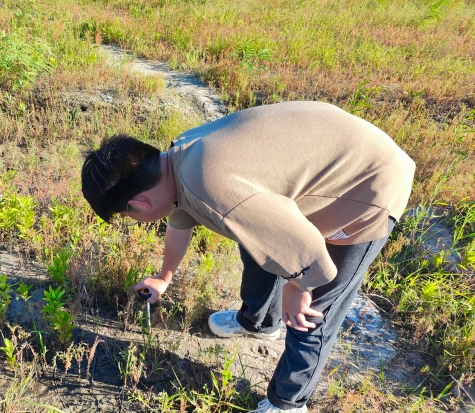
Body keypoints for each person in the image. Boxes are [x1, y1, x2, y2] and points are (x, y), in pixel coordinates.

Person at [80, 101, 415, 413]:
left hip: (368, 183)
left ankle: (288, 401)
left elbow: (307, 248)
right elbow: (183, 222)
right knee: (256, 235)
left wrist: (299, 287)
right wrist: (164, 277)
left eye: (128, 217)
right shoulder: (176, 163)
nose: (135, 221)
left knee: (312, 313)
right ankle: (259, 323)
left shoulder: (211, 187)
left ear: (139, 205)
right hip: (329, 160)